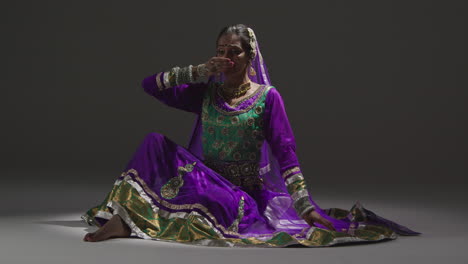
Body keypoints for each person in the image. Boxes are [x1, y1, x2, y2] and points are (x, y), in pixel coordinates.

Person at [82, 24, 420, 247]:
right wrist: (198, 72)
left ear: (250, 56)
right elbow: (149, 85)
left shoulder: (267, 98)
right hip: (203, 178)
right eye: (221, 51)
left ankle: (129, 221)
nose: (227, 59)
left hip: (240, 194)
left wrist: (304, 207)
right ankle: (124, 219)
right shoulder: (207, 92)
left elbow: (285, 153)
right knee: (154, 141)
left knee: (218, 206)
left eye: (235, 52)